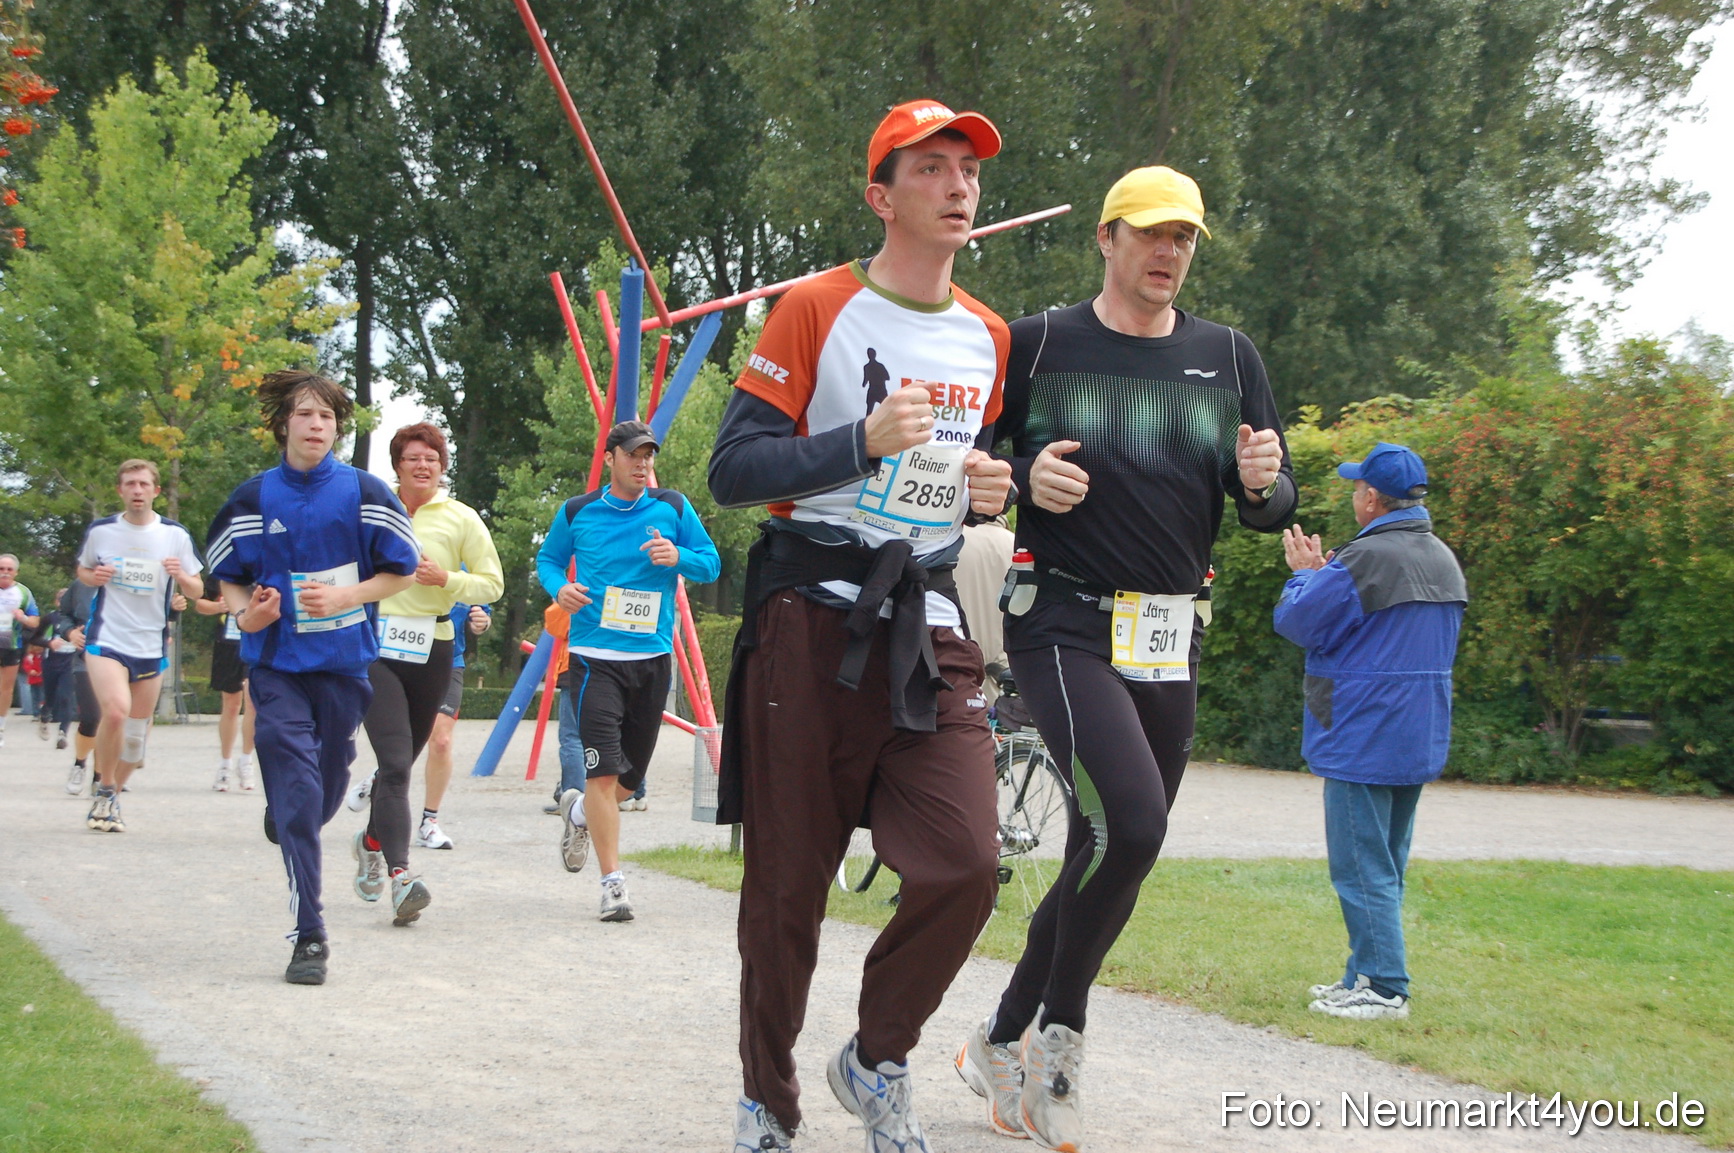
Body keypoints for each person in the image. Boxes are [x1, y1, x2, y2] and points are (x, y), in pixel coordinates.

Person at [956, 165, 1294, 1151]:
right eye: (1149, 233)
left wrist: (1266, 485)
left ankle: (999, 1033)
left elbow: (1271, 499)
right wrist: (1022, 475)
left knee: (1102, 848)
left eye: (1183, 237)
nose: (1167, 252)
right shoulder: (1039, 342)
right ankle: (1059, 1052)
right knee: (1135, 826)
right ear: (1106, 238)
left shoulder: (1228, 355)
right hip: (1062, 621)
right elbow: (964, 468)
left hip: (1169, 631)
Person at [708, 99, 1014, 1153]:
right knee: (787, 886)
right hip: (808, 619)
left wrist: (987, 489)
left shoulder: (989, 335)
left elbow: (961, 484)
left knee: (969, 861)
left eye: (967, 169)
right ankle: (768, 1102)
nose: (958, 185)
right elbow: (734, 468)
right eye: (932, 168)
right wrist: (858, 441)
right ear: (881, 195)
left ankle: (877, 1058)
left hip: (925, 619)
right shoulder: (814, 306)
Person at [205, 369, 418, 985]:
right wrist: (249, 612)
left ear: (337, 428)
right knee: (295, 789)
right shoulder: (254, 497)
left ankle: (296, 810)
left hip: (345, 667)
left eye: (326, 416)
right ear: (283, 425)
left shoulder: (365, 491)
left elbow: (402, 571)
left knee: (324, 786)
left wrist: (348, 595)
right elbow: (229, 578)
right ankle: (310, 934)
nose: (316, 425)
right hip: (274, 667)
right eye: (304, 414)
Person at [1274, 442, 1467, 1021]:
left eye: (1358, 487)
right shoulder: (1442, 557)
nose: (1354, 494)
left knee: (1360, 866)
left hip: (1362, 728)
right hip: (1417, 728)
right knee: (1386, 863)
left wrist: (1306, 576)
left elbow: (1298, 622)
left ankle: (1384, 987)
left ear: (1372, 499)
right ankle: (1362, 973)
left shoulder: (1367, 558)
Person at [539, 419, 720, 922]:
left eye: (649, 456)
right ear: (612, 458)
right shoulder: (577, 512)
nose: (643, 464)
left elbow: (711, 564)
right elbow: (549, 560)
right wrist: (560, 588)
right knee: (603, 774)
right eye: (634, 455)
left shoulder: (673, 508)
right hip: (596, 661)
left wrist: (678, 555)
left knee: (626, 782)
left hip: (653, 662)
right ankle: (612, 884)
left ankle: (576, 814)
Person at [350, 422, 502, 925]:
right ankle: (401, 877)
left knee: (402, 765)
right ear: (398, 465)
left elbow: (492, 584)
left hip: (433, 647)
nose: (423, 465)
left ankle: (372, 839)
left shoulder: (461, 518)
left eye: (432, 459)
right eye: (413, 457)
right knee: (394, 763)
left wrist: (447, 579)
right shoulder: (372, 510)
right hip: (375, 644)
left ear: (442, 466)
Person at [73, 462, 206, 832]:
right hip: (107, 638)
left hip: (150, 643)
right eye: (130, 484)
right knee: (115, 712)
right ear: (120, 490)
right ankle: (105, 789)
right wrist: (93, 576)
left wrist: (181, 575)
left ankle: (113, 787)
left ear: (156, 491)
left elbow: (197, 590)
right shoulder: (102, 531)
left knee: (135, 739)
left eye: (143, 484)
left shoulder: (173, 535)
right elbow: (82, 570)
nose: (136, 490)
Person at [416, 600, 491, 848]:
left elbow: (481, 616)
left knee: (441, 740)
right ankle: (377, 783)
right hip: (401, 656)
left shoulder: (465, 565)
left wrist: (481, 621)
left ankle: (430, 821)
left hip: (449, 660)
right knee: (404, 739)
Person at [195, 577, 256, 791]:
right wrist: (219, 606)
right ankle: (225, 763)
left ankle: (246, 761)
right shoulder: (223, 571)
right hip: (228, 643)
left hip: (256, 641)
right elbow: (201, 604)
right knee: (231, 704)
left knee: (253, 702)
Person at [50, 581, 101, 792]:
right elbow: (63, 615)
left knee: (112, 717)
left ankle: (101, 775)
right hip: (86, 655)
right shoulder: (82, 584)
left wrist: (172, 610)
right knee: (91, 717)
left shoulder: (135, 578)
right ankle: (80, 763)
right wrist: (70, 632)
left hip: (122, 654)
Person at [0, 553, 42, 748]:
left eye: (9, 569)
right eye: (1, 569)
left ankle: (0, 726)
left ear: (16, 572)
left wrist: (23, 618)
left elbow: (36, 621)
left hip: (10, 642)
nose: (5, 573)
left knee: (6, 688)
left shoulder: (23, 593)